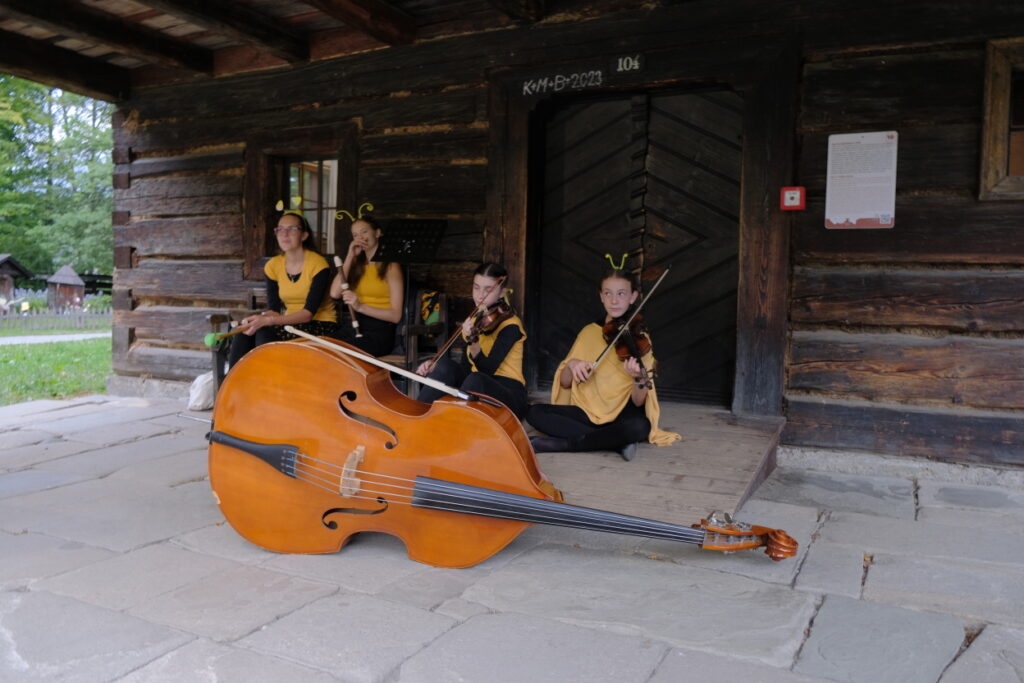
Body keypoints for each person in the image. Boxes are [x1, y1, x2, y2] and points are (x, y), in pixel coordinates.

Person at [526, 268, 680, 460]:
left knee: (639, 427)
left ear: (633, 297)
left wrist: (638, 377)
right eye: (608, 293)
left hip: (622, 415)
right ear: (601, 297)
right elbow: (565, 383)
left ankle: (568, 443)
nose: (614, 300)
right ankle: (614, 442)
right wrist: (572, 364)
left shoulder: (640, 340)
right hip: (587, 411)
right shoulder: (589, 332)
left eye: (621, 294)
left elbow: (639, 401)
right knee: (535, 412)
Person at [414, 262, 529, 419]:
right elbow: (466, 369)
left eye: (488, 290)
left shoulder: (511, 326)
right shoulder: (476, 320)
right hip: (476, 388)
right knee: (445, 366)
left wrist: (473, 342)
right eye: (476, 287)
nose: (480, 295)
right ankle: (417, 417)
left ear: (502, 292)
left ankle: (455, 426)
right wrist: (436, 367)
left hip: (509, 395)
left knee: (476, 379)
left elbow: (486, 371)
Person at [227, 210, 337, 368]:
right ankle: (231, 385)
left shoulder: (318, 264)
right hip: (289, 323)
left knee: (264, 331)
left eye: (292, 229)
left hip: (320, 325)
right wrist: (258, 319)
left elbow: (308, 315)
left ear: (304, 235)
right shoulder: (273, 265)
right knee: (245, 331)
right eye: (280, 229)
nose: (285, 234)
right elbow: (274, 309)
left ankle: (269, 383)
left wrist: (267, 321)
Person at [331, 216, 404, 356]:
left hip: (380, 330)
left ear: (377, 233)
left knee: (341, 353)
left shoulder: (391, 266)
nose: (360, 237)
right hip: (355, 324)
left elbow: (396, 316)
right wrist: (350, 257)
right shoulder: (356, 264)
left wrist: (360, 306)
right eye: (355, 235)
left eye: (364, 232)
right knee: (319, 347)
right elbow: (335, 293)